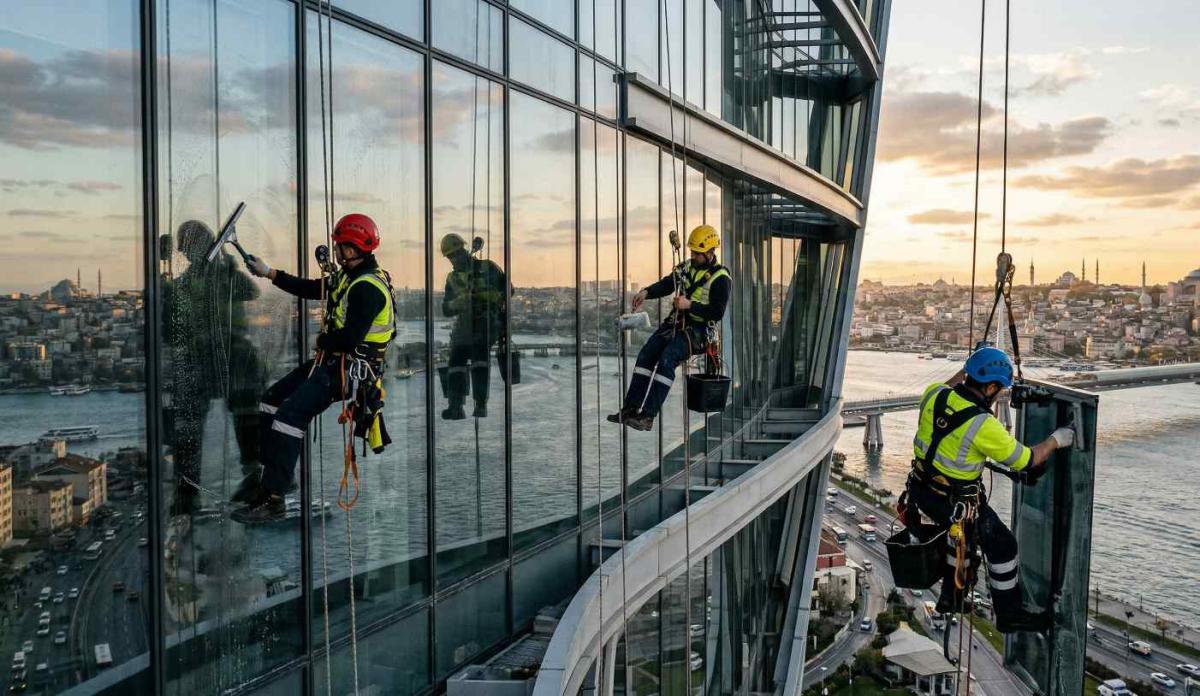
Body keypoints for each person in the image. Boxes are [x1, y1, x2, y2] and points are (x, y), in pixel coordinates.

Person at [232, 213, 395, 523]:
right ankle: (277, 476)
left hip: (349, 369)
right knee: (270, 401)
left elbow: (349, 339)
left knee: (291, 414)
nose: (336, 253)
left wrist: (323, 338)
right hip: (334, 362)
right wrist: (269, 272)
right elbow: (311, 288)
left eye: (340, 248)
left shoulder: (367, 288)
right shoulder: (350, 277)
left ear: (353, 249)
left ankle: (274, 497)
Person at [900, 346, 1075, 633]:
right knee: (1003, 546)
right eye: (1000, 390)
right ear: (992, 387)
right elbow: (1027, 460)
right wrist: (1056, 440)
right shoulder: (984, 425)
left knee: (959, 541)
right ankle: (1009, 614)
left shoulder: (934, 393)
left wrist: (976, 359)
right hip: (953, 501)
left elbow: (955, 381)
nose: (1000, 396)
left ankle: (951, 598)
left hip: (922, 490)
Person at [161, 221, 265, 516]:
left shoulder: (204, 279)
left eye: (186, 246)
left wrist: (229, 269)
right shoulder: (201, 279)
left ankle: (190, 490)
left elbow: (251, 292)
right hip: (226, 356)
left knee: (196, 423)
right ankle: (199, 488)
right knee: (240, 419)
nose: (183, 251)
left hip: (223, 356)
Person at [607, 224, 730, 431]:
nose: (693, 255)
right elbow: (667, 284)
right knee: (646, 355)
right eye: (692, 251)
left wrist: (689, 305)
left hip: (699, 332)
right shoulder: (687, 267)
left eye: (697, 253)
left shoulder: (721, 278)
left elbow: (717, 312)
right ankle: (631, 408)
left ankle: (647, 416)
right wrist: (646, 292)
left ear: (710, 253)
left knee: (667, 359)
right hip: (677, 324)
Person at [438, 233, 506, 420]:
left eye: (455, 255)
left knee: (479, 357)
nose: (453, 260)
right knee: (455, 361)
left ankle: (481, 404)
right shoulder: (452, 278)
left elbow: (508, 290)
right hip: (466, 323)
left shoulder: (487, 267)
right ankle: (455, 405)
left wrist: (482, 295)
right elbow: (446, 309)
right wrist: (461, 300)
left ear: (463, 251)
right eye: (450, 257)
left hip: (487, 321)